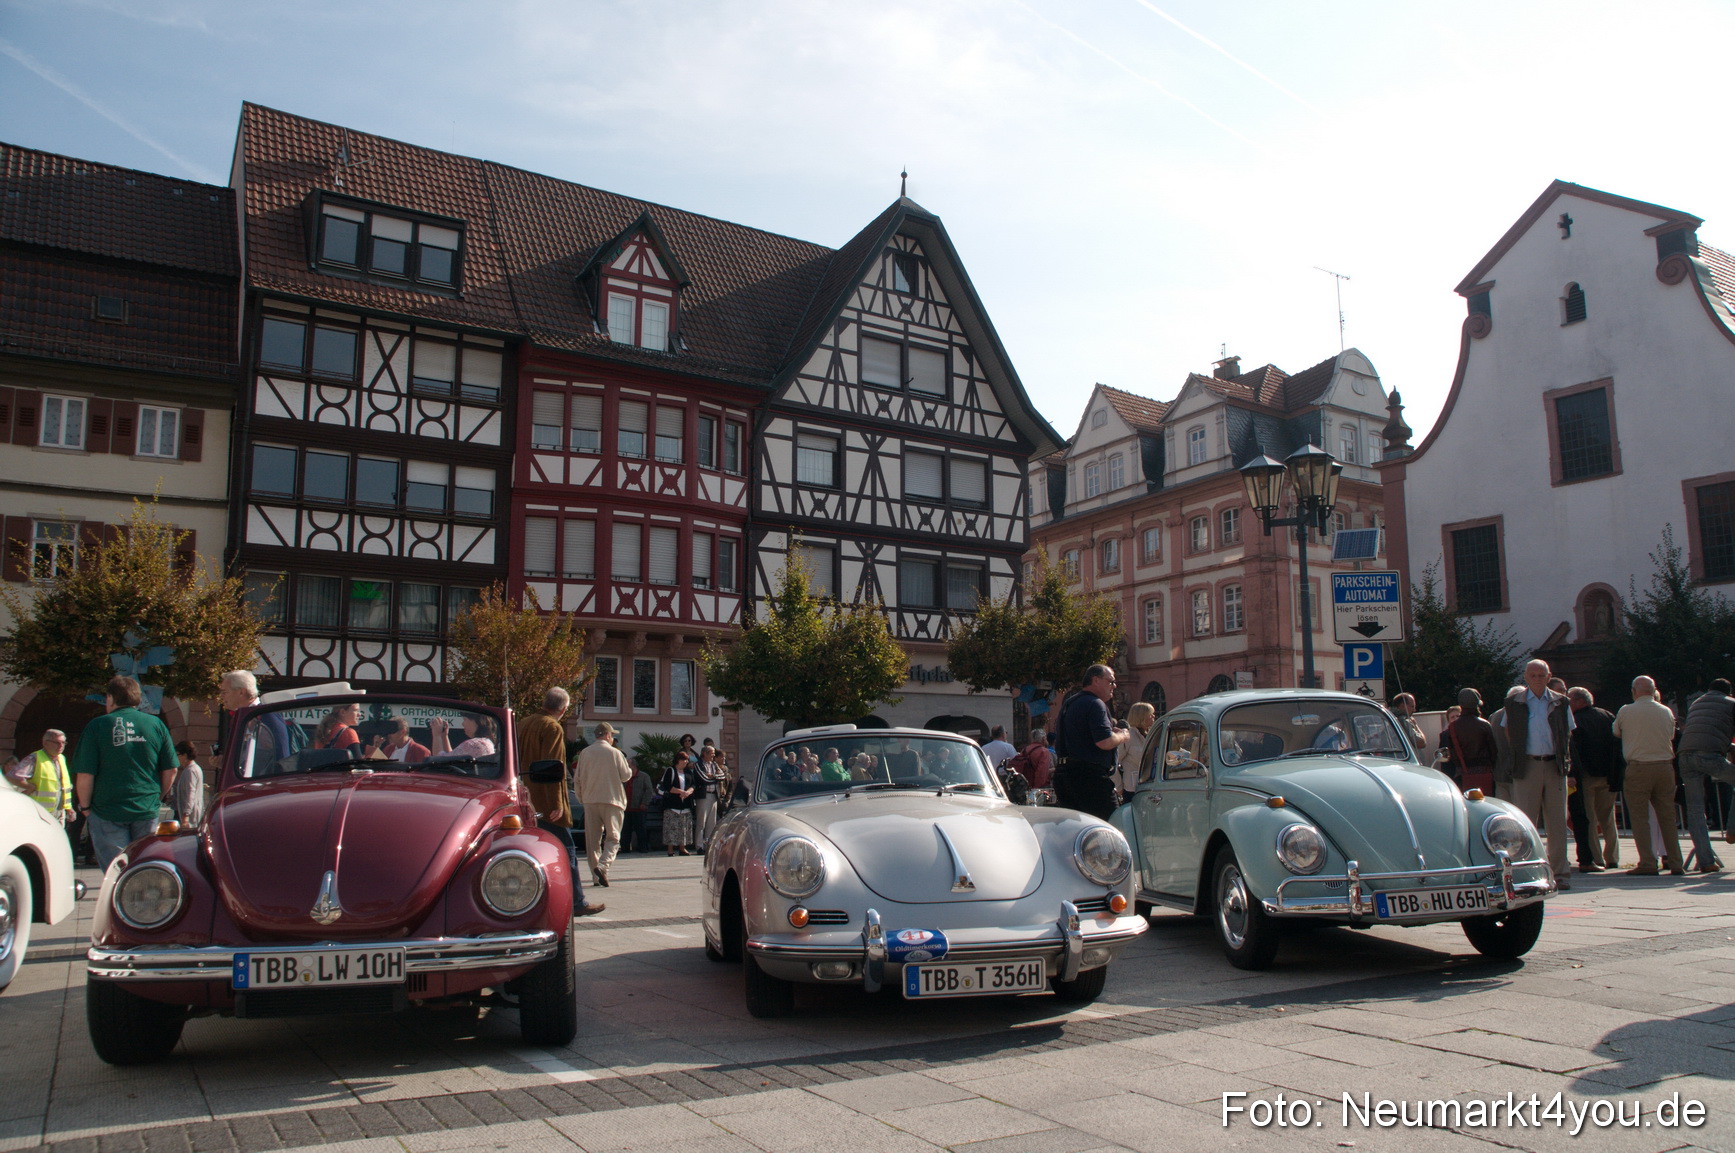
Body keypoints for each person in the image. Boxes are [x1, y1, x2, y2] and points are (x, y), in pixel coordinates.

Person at [73, 676, 177, 871]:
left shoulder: (97, 726)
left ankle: (116, 899)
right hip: (145, 807)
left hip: (106, 809)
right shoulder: (156, 725)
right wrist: (156, 798)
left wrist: (86, 807)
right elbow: (171, 769)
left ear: (110, 698)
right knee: (143, 868)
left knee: (116, 871)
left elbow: (85, 774)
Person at [1501, 659, 1576, 889]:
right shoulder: (1515, 702)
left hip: (1554, 766)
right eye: (1532, 675)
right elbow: (1508, 731)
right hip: (1527, 766)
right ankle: (1526, 872)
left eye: (1541, 675)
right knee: (1525, 823)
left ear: (1548, 675)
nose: (1537, 679)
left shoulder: (1560, 702)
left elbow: (1568, 732)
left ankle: (1560, 874)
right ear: (1525, 677)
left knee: (1557, 823)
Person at [1613, 675, 1683, 876]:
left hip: (1638, 767)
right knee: (1668, 816)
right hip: (1664, 766)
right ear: (1654, 691)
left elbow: (1616, 731)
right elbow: (1670, 735)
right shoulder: (1666, 711)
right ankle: (1676, 862)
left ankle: (1648, 862)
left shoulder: (1626, 710)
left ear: (1634, 691)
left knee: (1639, 817)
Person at [1675, 678, 1735, 874]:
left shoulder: (1697, 704)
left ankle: (1706, 861)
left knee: (1695, 810)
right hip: (1709, 754)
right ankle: (1732, 829)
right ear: (1729, 691)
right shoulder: (1730, 703)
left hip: (1685, 755)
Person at [1053, 665, 1128, 819]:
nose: (1114, 686)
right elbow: (1105, 742)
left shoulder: (1070, 703)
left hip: (1064, 775)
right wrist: (1123, 736)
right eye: (1111, 681)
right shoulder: (1095, 703)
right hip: (1089, 778)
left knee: (1076, 829)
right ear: (1096, 680)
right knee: (1111, 825)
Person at [1567, 687, 1621, 873]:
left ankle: (1596, 857)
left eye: (1570, 700)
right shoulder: (1607, 715)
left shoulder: (1575, 721)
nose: (1568, 703)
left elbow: (1576, 749)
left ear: (1580, 702)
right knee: (1608, 817)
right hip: (1608, 774)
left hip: (1587, 776)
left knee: (1589, 817)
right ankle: (1612, 857)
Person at [575, 720, 634, 884]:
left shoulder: (585, 753)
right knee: (613, 837)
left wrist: (582, 797)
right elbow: (626, 776)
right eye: (612, 736)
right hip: (612, 800)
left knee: (592, 841)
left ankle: (596, 877)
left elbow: (577, 778)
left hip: (591, 800)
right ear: (607, 735)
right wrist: (628, 767)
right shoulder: (615, 753)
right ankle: (603, 866)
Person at [217, 669, 291, 766]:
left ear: (241, 692)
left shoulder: (267, 714)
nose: (221, 696)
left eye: (225, 692)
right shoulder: (240, 717)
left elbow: (282, 755)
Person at [1440, 688, 1498, 794]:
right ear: (1477, 705)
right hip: (1485, 774)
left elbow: (1452, 754)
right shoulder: (1484, 725)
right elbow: (1494, 752)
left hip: (1462, 775)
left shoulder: (1452, 727)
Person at [24, 729, 72, 823]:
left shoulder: (61, 758)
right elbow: (13, 777)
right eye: (57, 743)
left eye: (63, 742)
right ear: (45, 743)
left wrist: (69, 808)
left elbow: (63, 786)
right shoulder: (34, 758)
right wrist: (29, 787)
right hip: (40, 813)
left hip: (59, 812)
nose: (61, 746)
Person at [659, 751, 699, 854]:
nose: (685, 762)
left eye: (687, 760)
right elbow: (667, 786)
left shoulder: (688, 772)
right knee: (671, 827)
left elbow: (694, 785)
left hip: (686, 803)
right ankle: (670, 849)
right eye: (683, 759)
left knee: (684, 827)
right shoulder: (670, 770)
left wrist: (688, 792)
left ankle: (682, 847)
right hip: (672, 803)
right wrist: (680, 792)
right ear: (678, 760)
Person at [1116, 702, 1156, 798]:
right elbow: (1114, 763)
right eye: (1150, 714)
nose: (1153, 716)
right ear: (1142, 717)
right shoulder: (1128, 736)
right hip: (1132, 789)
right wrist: (1119, 787)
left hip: (1150, 786)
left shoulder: (1151, 734)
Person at [695, 744, 728, 849]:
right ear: (705, 753)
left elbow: (723, 776)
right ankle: (699, 846)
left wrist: (713, 776)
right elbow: (704, 779)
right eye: (712, 753)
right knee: (701, 822)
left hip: (714, 796)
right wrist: (715, 778)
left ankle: (708, 845)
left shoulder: (714, 764)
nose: (713, 755)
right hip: (703, 796)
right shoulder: (698, 764)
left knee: (711, 823)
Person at [623, 758, 656, 853]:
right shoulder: (624, 776)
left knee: (641, 829)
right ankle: (625, 848)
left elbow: (649, 790)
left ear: (633, 765)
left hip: (639, 807)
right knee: (625, 830)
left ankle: (643, 847)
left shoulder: (643, 776)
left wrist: (644, 802)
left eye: (627, 764)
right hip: (626, 807)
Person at [169, 741, 205, 827]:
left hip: (190, 817)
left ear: (184, 755)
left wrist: (186, 815)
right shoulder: (192, 769)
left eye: (177, 755)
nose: (176, 758)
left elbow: (190, 793)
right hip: (192, 814)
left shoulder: (190, 771)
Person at [429, 713, 496, 758]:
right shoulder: (486, 742)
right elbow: (452, 758)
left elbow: (439, 760)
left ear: (476, 722)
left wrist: (436, 735)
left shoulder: (473, 744)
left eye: (465, 720)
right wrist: (444, 737)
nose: (463, 724)